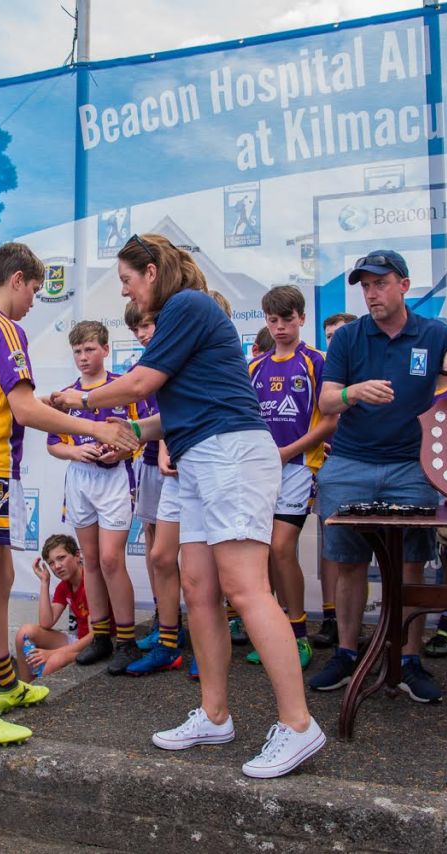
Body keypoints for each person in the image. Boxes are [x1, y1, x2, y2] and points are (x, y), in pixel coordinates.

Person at [52, 233, 324, 779]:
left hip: (232, 455)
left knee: (247, 588)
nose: (128, 293)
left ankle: (298, 726)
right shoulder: (182, 317)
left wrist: (75, 401)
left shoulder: (187, 305)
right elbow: (167, 413)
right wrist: (128, 429)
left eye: (128, 281)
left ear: (151, 272)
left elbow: (139, 383)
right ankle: (214, 713)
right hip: (200, 456)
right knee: (198, 588)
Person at [0, 241, 136, 746]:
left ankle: (4, 684)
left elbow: (11, 403)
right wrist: (98, 431)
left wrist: (50, 404)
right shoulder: (5, 327)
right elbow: (25, 412)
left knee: (0, 576)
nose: (33, 303)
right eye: (34, 291)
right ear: (19, 279)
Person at [309, 250, 447, 704]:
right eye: (365, 286)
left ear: (404, 285)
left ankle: (409, 660)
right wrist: (353, 391)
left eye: (380, 283)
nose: (372, 293)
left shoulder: (434, 332)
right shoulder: (349, 337)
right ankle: (345, 652)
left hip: (412, 466)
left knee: (412, 563)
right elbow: (329, 400)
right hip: (351, 462)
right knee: (349, 563)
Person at [246, 286, 335, 671]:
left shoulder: (317, 361)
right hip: (260, 470)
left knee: (282, 547)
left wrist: (287, 451)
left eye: (287, 319)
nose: (280, 327)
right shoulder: (255, 367)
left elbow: (330, 419)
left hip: (300, 465)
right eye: (273, 320)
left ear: (301, 318)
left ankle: (298, 635)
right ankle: (274, 630)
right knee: (262, 550)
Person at [47, 321, 142, 674]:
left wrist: (120, 452)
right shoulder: (65, 395)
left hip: (116, 478)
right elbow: (54, 443)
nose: (83, 357)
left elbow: (143, 432)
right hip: (80, 480)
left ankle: (127, 640)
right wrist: (74, 453)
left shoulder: (122, 386)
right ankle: (100, 636)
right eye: (77, 351)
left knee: (110, 559)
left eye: (89, 349)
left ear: (104, 349)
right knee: (89, 559)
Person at [125, 306, 186, 677]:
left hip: (183, 462)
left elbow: (173, 415)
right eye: (136, 329)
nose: (143, 334)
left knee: (189, 557)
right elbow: (141, 419)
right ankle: (167, 629)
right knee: (156, 550)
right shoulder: (141, 364)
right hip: (152, 461)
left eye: (147, 325)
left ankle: (182, 636)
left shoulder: (178, 358)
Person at [311, 312, 356, 649]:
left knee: (364, 553)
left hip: (362, 464)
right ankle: (330, 617)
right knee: (331, 544)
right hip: (327, 466)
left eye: (340, 333)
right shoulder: (323, 370)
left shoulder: (369, 368)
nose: (334, 340)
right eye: (329, 335)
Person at [13, 534, 93, 677]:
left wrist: (51, 653)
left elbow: (94, 636)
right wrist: (44, 582)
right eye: (51, 563)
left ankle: (40, 697)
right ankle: (26, 690)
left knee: (54, 660)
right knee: (24, 633)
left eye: (61, 558)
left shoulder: (91, 582)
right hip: (79, 641)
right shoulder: (64, 586)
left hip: (98, 646)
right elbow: (46, 623)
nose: (57, 566)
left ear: (77, 555)